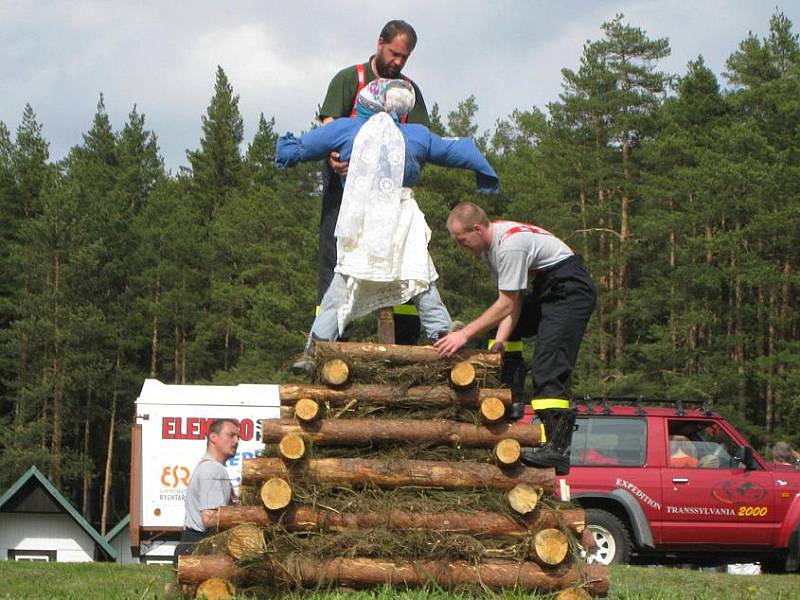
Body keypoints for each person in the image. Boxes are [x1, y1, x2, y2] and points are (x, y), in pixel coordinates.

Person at [277, 79, 498, 347]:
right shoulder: (416, 135)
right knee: (420, 277)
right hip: (402, 219)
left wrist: (284, 152)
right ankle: (440, 334)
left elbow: (299, 148)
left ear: (364, 103)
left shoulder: (346, 129)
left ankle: (317, 345)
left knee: (345, 281)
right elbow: (457, 150)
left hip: (362, 220)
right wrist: (485, 173)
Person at [434, 202, 597, 475]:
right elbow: (515, 301)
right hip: (550, 287)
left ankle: (558, 449)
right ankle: (509, 396)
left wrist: (463, 333)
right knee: (492, 329)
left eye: (463, 241)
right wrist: (501, 341)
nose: (462, 247)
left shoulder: (508, 246)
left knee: (548, 366)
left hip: (569, 290)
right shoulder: (492, 248)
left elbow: (506, 303)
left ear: (477, 228)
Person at [313, 19, 430, 350]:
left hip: (390, 194)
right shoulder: (349, 79)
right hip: (345, 188)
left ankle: (406, 343)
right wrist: (333, 157)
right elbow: (329, 128)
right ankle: (329, 342)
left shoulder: (409, 91)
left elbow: (421, 139)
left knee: (404, 256)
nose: (398, 62)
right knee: (336, 259)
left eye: (404, 57)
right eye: (394, 53)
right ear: (380, 43)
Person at [174, 418, 240, 564]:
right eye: (231, 435)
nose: (236, 441)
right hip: (200, 549)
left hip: (192, 546)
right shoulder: (212, 469)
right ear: (213, 437)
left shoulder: (209, 466)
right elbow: (209, 518)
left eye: (238, 437)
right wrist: (243, 520)